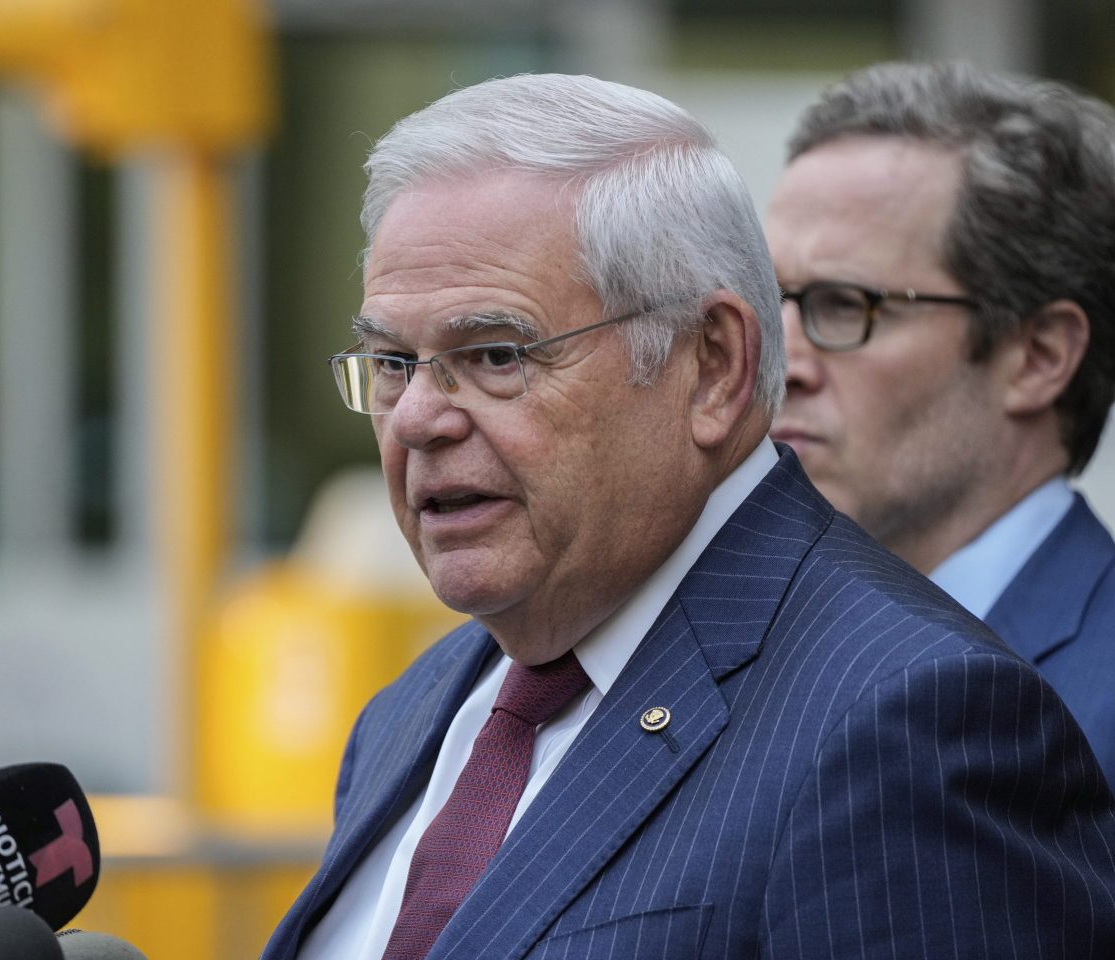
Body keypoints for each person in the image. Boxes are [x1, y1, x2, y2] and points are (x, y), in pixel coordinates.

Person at [263, 74, 1115, 960]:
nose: (416, 419)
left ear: (711, 365)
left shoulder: (905, 722)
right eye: (392, 361)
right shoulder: (417, 710)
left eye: (494, 354)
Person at [766, 61, 1115, 778]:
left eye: (843, 304)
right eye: (765, 304)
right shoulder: (729, 654)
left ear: (1039, 356)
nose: (780, 362)